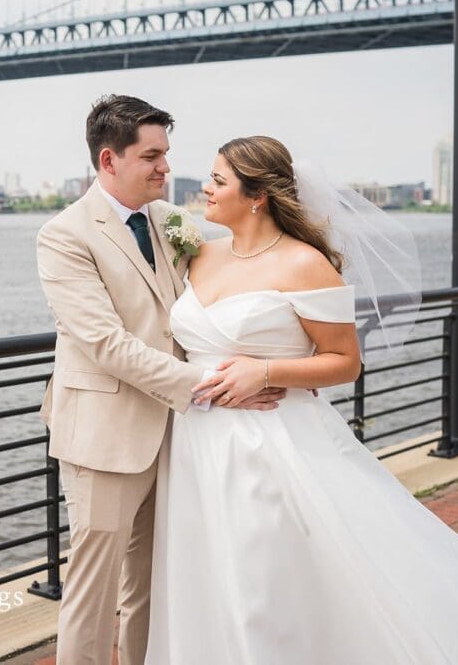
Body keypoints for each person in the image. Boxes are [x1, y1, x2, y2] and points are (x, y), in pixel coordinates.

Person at [144, 136, 458, 664]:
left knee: (258, 580)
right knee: (204, 576)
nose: (205, 189)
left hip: (268, 447)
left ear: (258, 194)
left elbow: (345, 360)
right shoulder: (200, 254)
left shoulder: (304, 264)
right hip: (196, 442)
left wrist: (264, 370)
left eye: (219, 180)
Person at [35, 96, 283, 665]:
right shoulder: (64, 235)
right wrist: (210, 385)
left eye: (166, 155)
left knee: (149, 587)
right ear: (108, 160)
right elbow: (105, 344)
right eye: (151, 157)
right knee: (92, 593)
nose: (165, 169)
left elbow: (222, 292)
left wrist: (278, 357)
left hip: (175, 434)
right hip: (105, 435)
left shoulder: (171, 222)